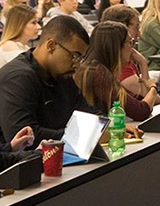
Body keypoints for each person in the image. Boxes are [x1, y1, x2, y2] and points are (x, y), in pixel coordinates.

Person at [0, 16, 96, 148]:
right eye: (74, 56)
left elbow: (86, 112)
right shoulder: (18, 78)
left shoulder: (62, 74)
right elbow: (23, 137)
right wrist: (84, 135)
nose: (77, 65)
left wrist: (110, 127)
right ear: (51, 46)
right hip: (23, 164)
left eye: (80, 59)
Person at [75, 21, 157, 121]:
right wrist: (153, 87)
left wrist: (143, 63)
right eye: (130, 42)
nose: (132, 48)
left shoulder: (95, 69)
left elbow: (139, 101)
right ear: (117, 47)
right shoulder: (98, 74)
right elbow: (141, 112)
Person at [101, 5, 160, 104]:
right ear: (122, 28)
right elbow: (146, 100)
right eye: (136, 27)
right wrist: (143, 64)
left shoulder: (126, 58)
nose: (139, 34)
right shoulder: (120, 67)